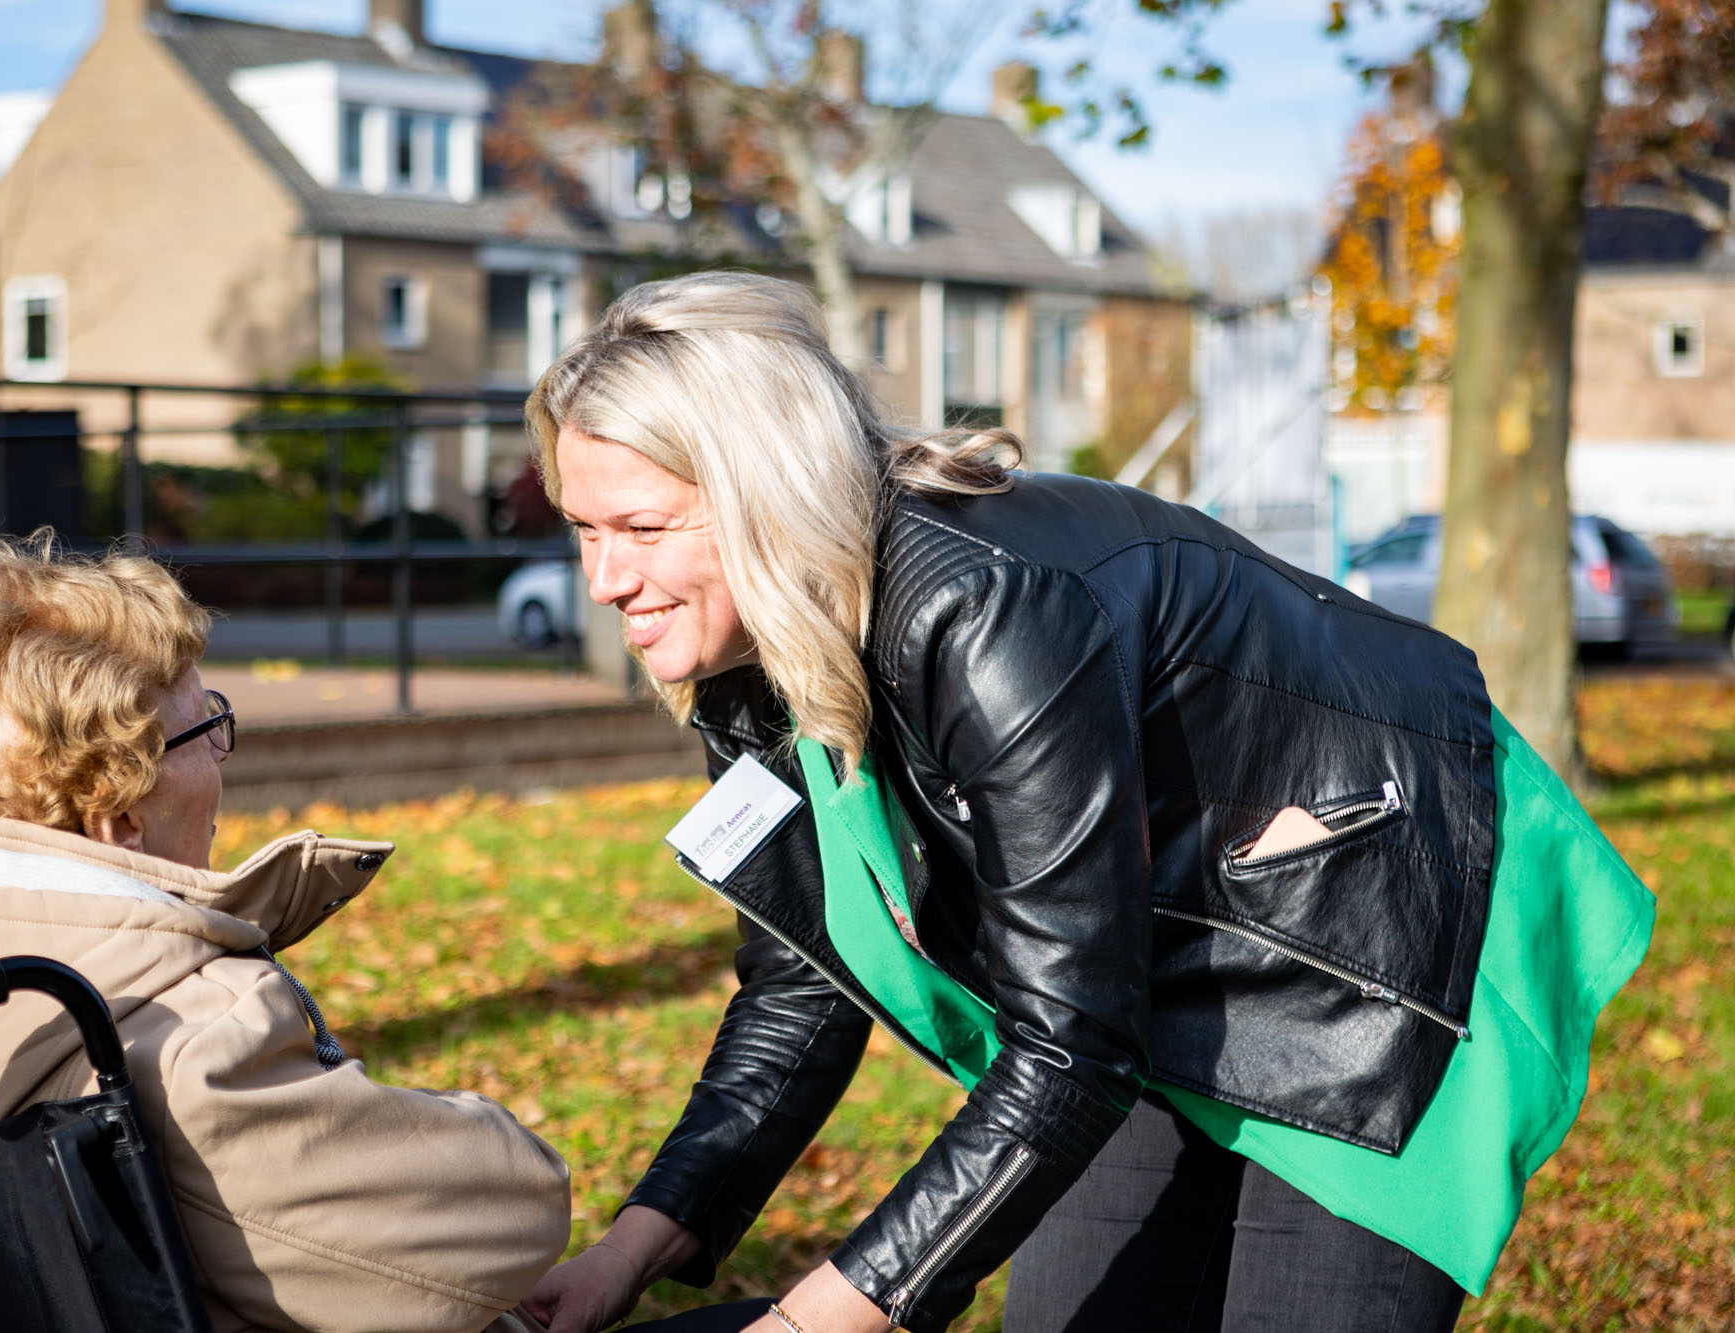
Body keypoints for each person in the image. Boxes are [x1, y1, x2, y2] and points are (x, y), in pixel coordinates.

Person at [515, 272, 1655, 1333]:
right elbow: (805, 986)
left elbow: (1067, 1050)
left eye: (644, 529)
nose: (606, 580)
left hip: (1371, 930)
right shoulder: (746, 662)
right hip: (1142, 965)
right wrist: (629, 1251)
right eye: (583, 530)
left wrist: (810, 1318)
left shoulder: (986, 606)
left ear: (770, 494)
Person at [0, 533, 572, 1333]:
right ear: (121, 815)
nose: (220, 748)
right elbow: (503, 1215)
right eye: (202, 727)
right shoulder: (190, 1033)